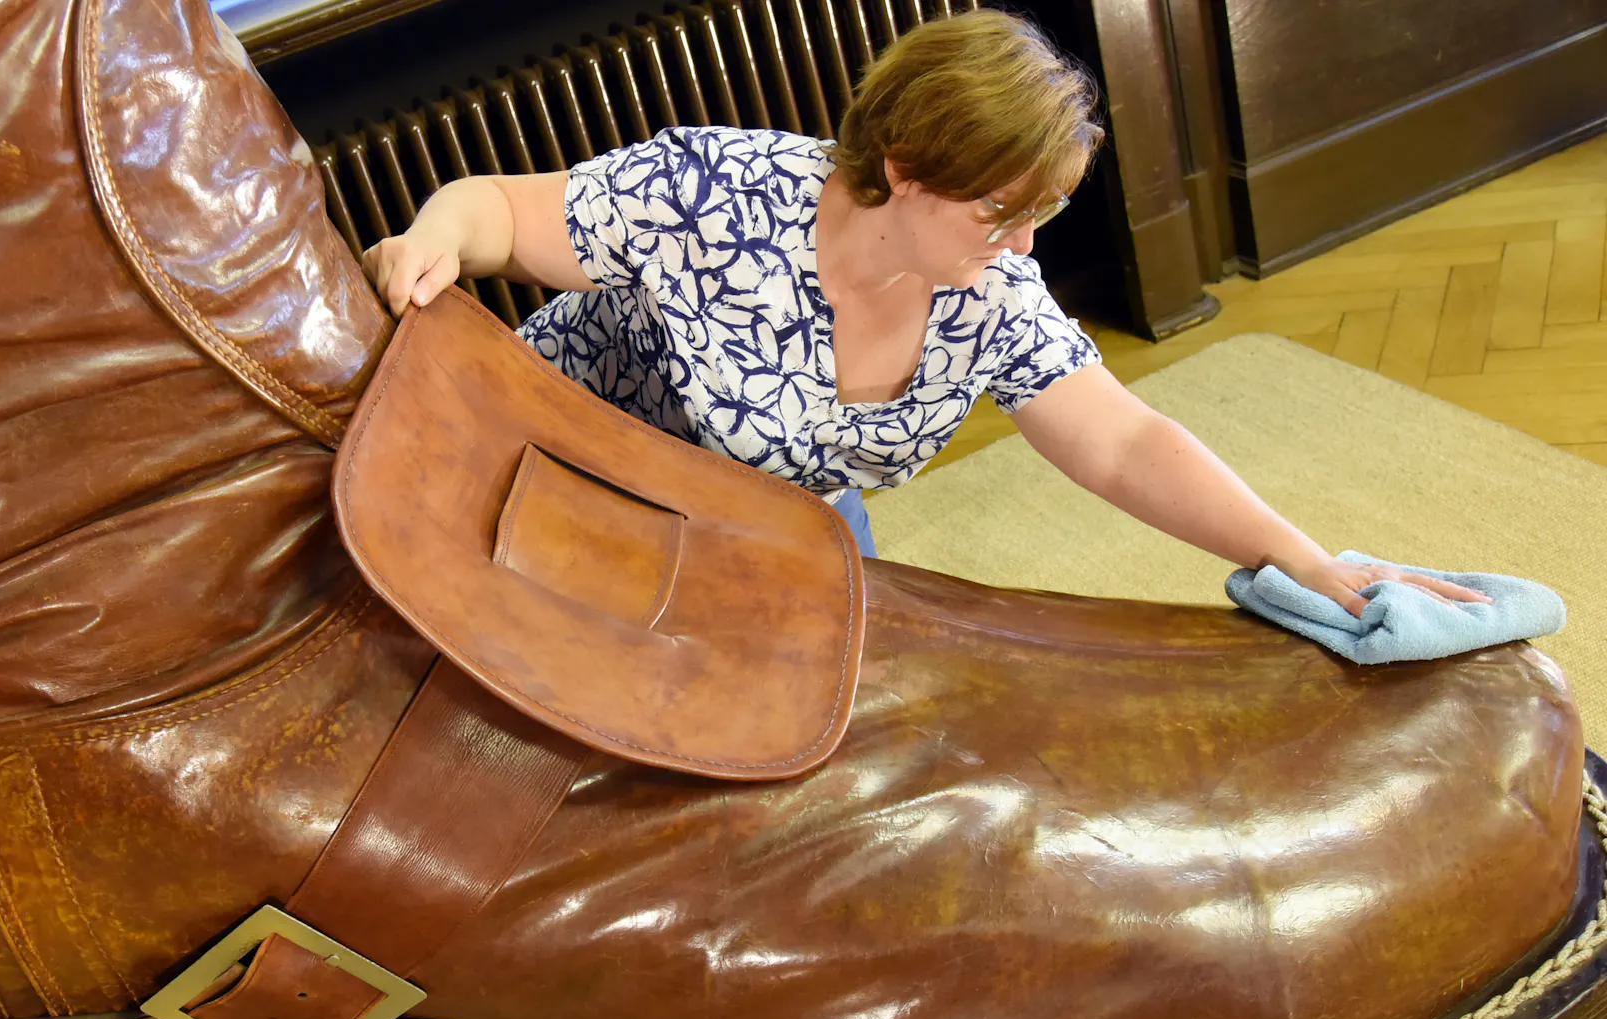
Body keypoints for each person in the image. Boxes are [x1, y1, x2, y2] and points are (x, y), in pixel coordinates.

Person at [360, 11, 1483, 618]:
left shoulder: (988, 288)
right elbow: (497, 213)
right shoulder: (710, 196)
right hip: (568, 471)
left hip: (775, 518)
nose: (1023, 246)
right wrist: (433, 240)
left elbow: (1122, 439)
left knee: (845, 705)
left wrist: (1309, 562)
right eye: (1001, 210)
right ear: (901, 168)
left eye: (1039, 214)